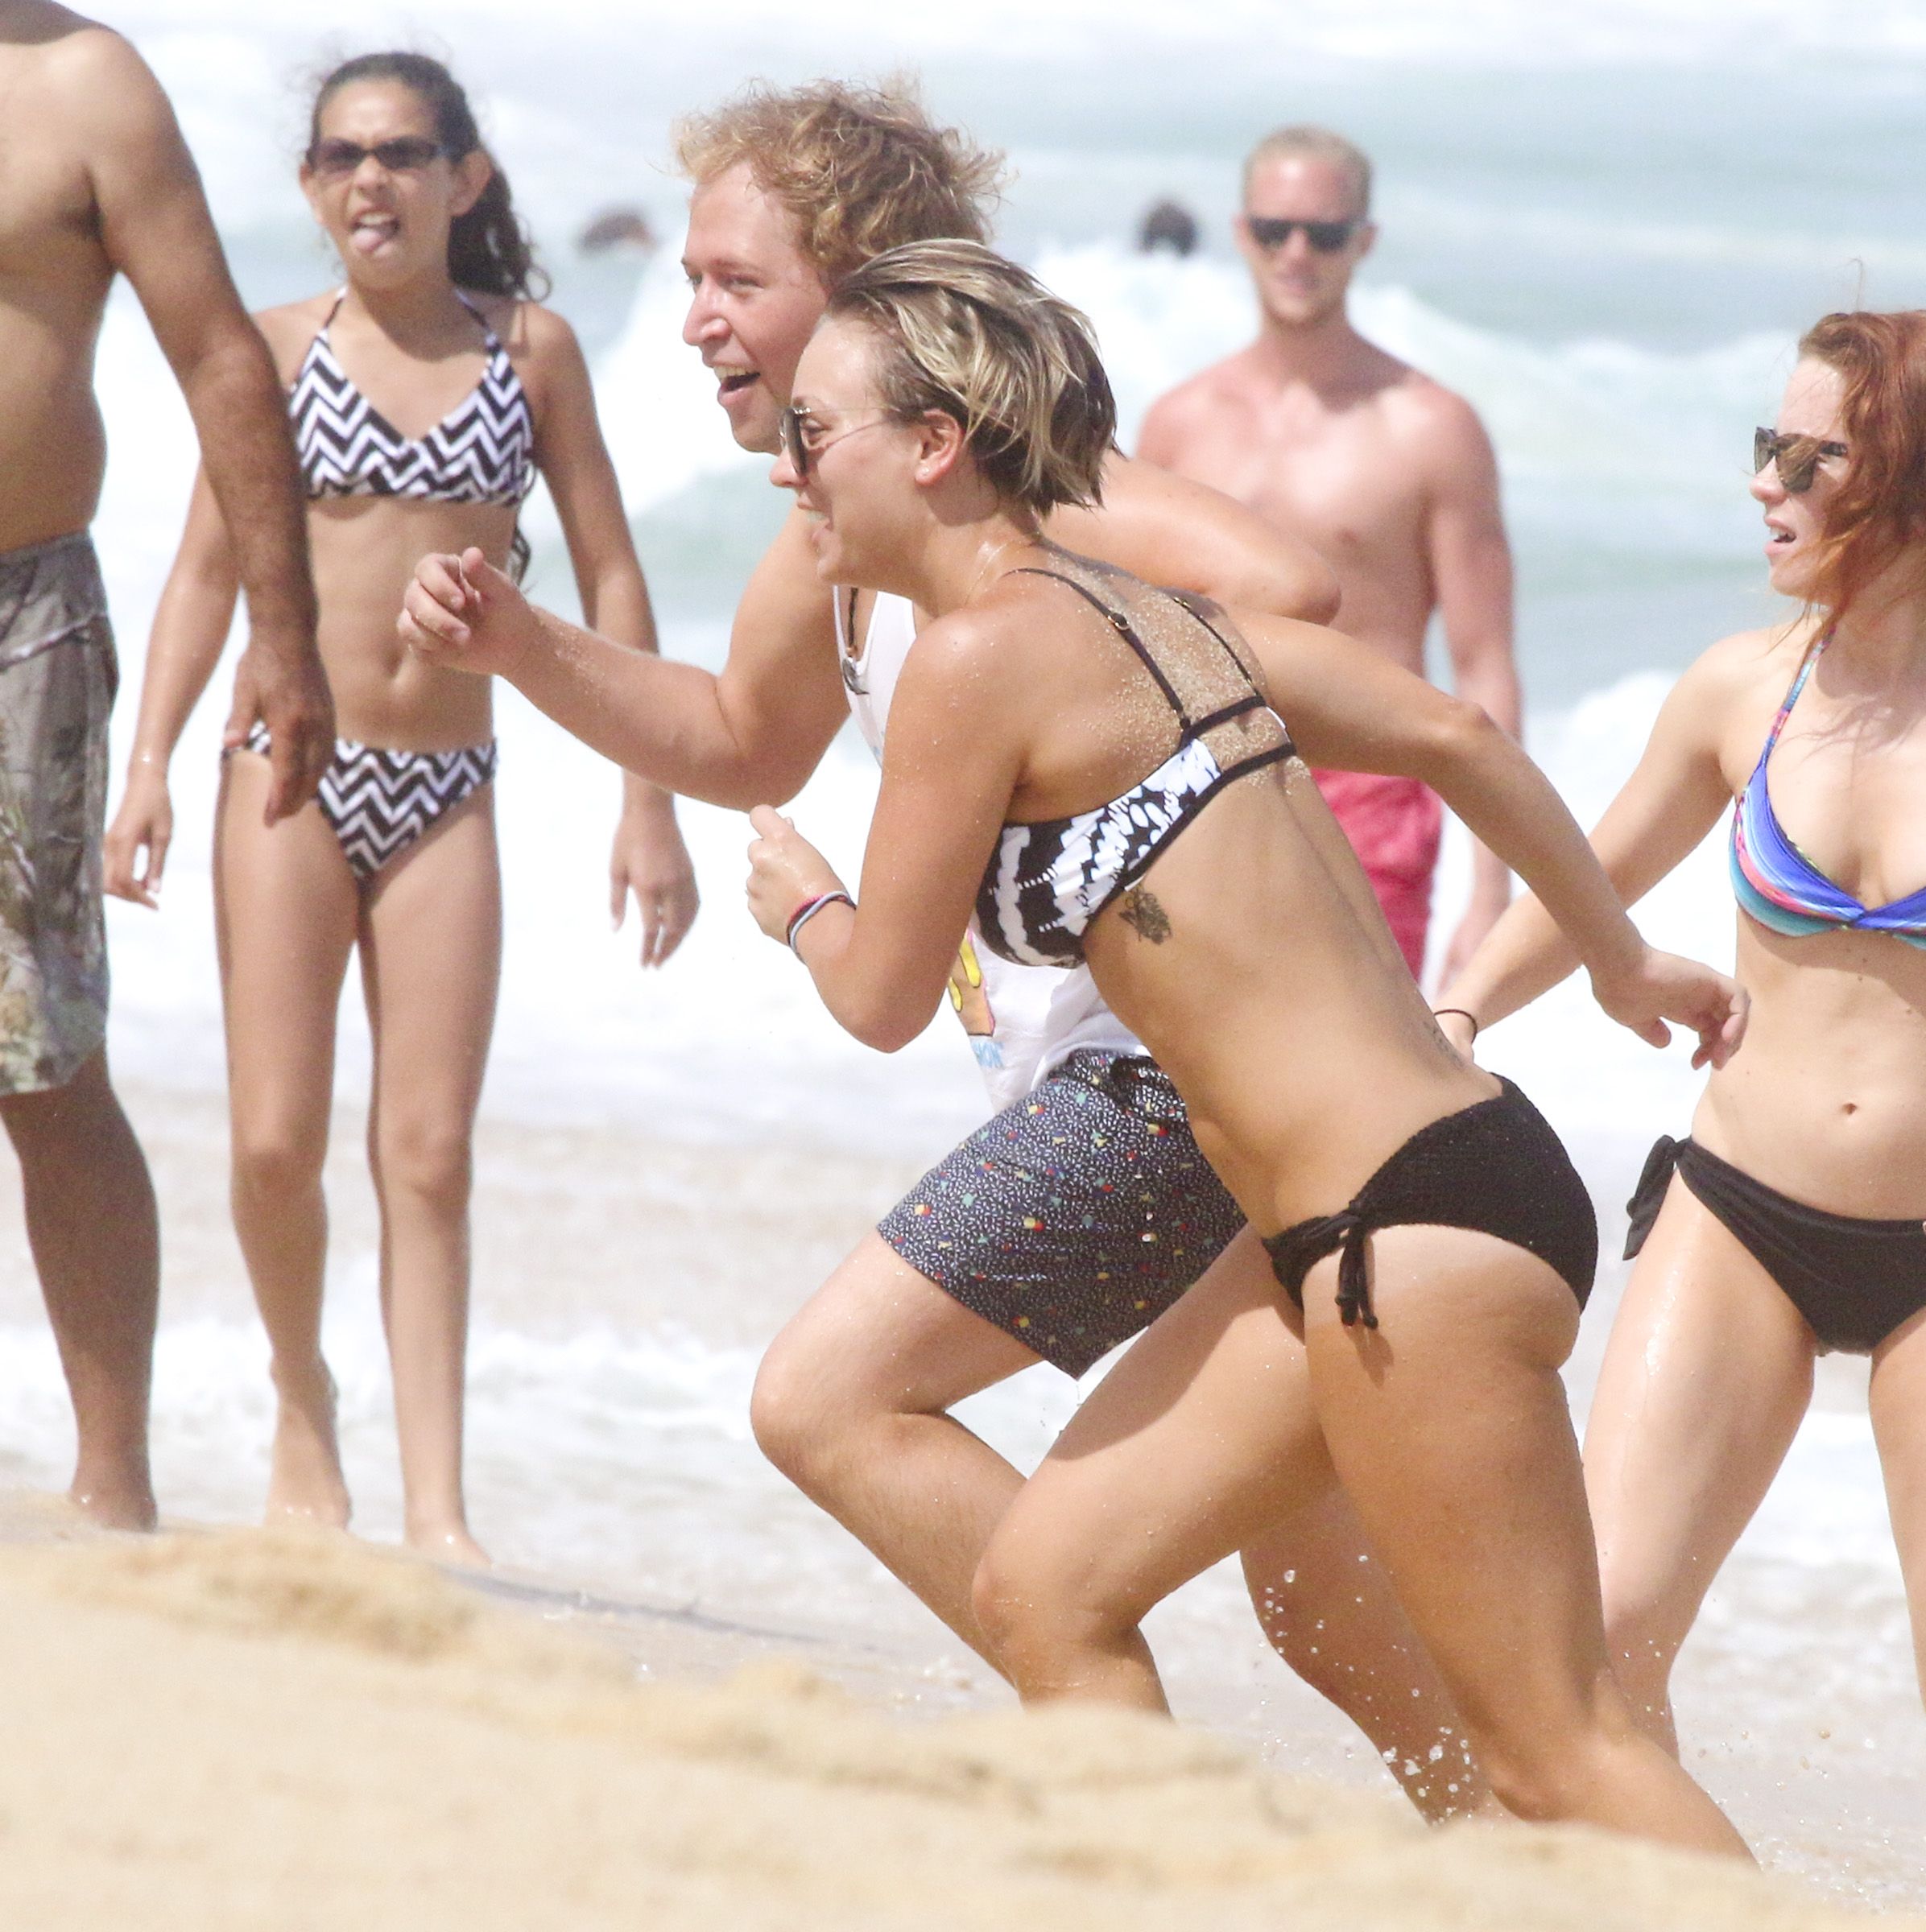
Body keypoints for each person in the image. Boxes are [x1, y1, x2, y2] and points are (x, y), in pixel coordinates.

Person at [398, 77, 1536, 1818]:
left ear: (864, 290)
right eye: (690, 278)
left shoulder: (1010, 504)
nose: (694, 317)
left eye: (735, 280)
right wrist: (521, 645)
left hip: (1161, 1078)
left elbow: (1285, 587)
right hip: (1198, 1092)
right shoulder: (833, 534)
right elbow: (740, 738)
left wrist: (1036, 616)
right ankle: (1508, 1843)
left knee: (830, 1400)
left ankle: (1134, 1798)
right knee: (1317, 1601)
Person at [721, 239, 1746, 1853]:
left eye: (810, 429)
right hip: (1366, 1216)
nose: (789, 470)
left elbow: (880, 998)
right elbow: (1454, 731)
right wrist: (1613, 958)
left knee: (1555, 1752)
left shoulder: (973, 656)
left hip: (1402, 1233)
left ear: (930, 445)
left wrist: (803, 907)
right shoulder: (1154, 617)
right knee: (1046, 1588)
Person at [1435, 308, 1926, 1906]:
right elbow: (1590, 880)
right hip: (1739, 1211)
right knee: (1604, 1640)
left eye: (1806, 458)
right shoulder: (1738, 691)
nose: (1764, 485)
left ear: (1925, 484)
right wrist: (1456, 1019)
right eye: (1767, 446)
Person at [102, 51, 694, 1563]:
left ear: (463, 179)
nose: (373, 177)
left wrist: (649, 802)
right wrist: (148, 762)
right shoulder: (272, 350)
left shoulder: (532, 353)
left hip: (448, 787)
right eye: (344, 154)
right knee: (272, 1145)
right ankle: (302, 1402)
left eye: (405, 152)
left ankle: (439, 1507)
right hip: (285, 775)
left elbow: (611, 573)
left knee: (428, 1156)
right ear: (313, 186)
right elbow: (204, 574)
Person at [0, 2, 333, 1530]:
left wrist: (284, 631)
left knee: (43, 1053)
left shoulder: (86, 83)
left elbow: (219, 358)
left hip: (22, 620)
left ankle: (112, 1491)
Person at [1139, 124, 1518, 986]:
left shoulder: (1431, 428)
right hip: (1200, 791)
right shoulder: (1178, 424)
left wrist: (1490, 892)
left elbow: (1484, 666)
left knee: (1361, 1063)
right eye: (1275, 230)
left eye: (1325, 233)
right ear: (1242, 234)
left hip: (1372, 786)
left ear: (1364, 241)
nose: (1297, 253)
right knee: (1188, 1065)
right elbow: (1125, 647)